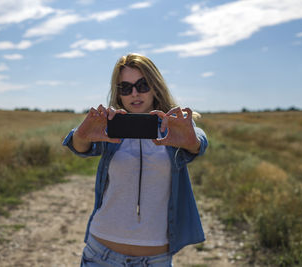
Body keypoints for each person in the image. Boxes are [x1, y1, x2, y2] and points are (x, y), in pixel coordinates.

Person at [63, 53, 208, 267]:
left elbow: (198, 142)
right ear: (118, 92)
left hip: (156, 259)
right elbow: (81, 147)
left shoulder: (174, 129)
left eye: (142, 85)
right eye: (126, 88)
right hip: (100, 254)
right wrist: (80, 136)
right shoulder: (110, 126)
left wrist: (192, 141)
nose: (134, 94)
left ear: (155, 86)